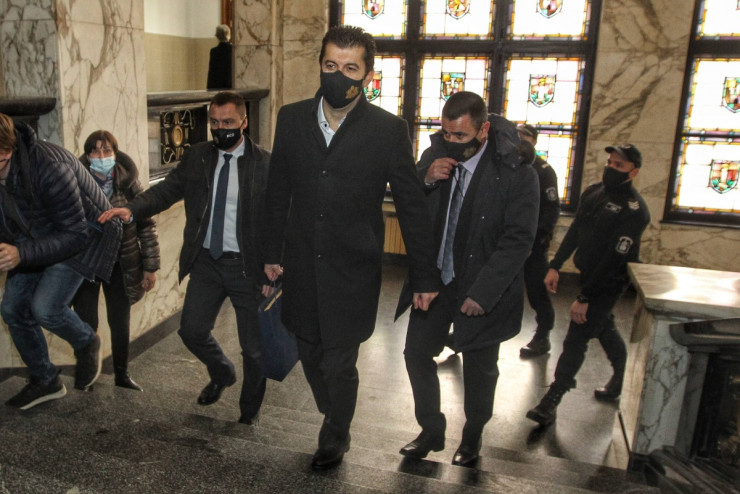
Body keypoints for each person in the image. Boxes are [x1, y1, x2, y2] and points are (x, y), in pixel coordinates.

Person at [262, 25, 439, 471]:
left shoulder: (388, 130)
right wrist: (270, 253)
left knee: (340, 362)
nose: (337, 75)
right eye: (330, 65)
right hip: (302, 264)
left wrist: (424, 276)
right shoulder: (292, 118)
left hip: (353, 270)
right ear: (320, 65)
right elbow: (277, 191)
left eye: (350, 68)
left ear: (367, 76)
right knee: (309, 352)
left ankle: (335, 433)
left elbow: (411, 207)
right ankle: (335, 412)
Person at [99, 91, 271, 424]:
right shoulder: (198, 157)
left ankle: (248, 414)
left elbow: (280, 218)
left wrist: (275, 264)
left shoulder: (265, 164)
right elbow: (166, 191)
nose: (221, 129)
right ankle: (222, 371)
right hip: (206, 261)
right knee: (191, 330)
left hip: (247, 267)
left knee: (254, 349)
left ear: (244, 122)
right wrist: (131, 210)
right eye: (215, 123)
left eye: (228, 122)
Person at [395, 92, 539, 468]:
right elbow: (411, 206)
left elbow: (518, 240)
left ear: (484, 130)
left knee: (480, 370)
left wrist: (484, 293)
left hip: (481, 287)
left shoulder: (516, 172)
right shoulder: (435, 155)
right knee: (416, 353)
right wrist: (426, 179)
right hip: (435, 281)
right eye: (446, 133)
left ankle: (473, 435)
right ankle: (431, 429)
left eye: (460, 135)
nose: (452, 142)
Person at [0, 113, 122, 410]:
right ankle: (46, 380)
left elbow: (75, 233)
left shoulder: (50, 166)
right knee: (12, 308)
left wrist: (21, 254)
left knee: (46, 308)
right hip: (34, 237)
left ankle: (86, 341)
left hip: (83, 235)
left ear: (5, 152)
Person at [526, 144, 650, 427]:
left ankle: (552, 398)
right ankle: (622, 374)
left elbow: (614, 259)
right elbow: (575, 231)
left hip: (609, 280)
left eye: (619, 165)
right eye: (610, 162)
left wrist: (585, 297)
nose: (611, 168)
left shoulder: (635, 210)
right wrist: (555, 265)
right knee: (603, 326)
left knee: (577, 336)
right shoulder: (594, 192)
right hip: (588, 274)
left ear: (633, 172)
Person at [72, 130, 160, 392]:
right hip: (87, 263)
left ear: (115, 153)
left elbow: (146, 224)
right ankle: (87, 374)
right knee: (85, 323)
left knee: (120, 321)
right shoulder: (75, 183)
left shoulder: (128, 183)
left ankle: (122, 373)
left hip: (121, 262)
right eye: (95, 150)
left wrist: (150, 267)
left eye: (107, 150)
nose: (101, 156)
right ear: (87, 155)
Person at [517, 124, 560, 357]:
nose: (519, 140)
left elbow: (551, 208)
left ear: (534, 141)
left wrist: (539, 238)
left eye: (524, 137)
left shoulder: (544, 171)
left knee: (537, 290)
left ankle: (543, 336)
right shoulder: (508, 165)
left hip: (533, 243)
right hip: (508, 241)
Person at [207, 24, 233, 90]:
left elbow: (212, 73)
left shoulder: (214, 51)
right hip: (231, 84)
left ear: (217, 36)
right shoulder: (233, 50)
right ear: (229, 34)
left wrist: (209, 88)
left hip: (217, 86)